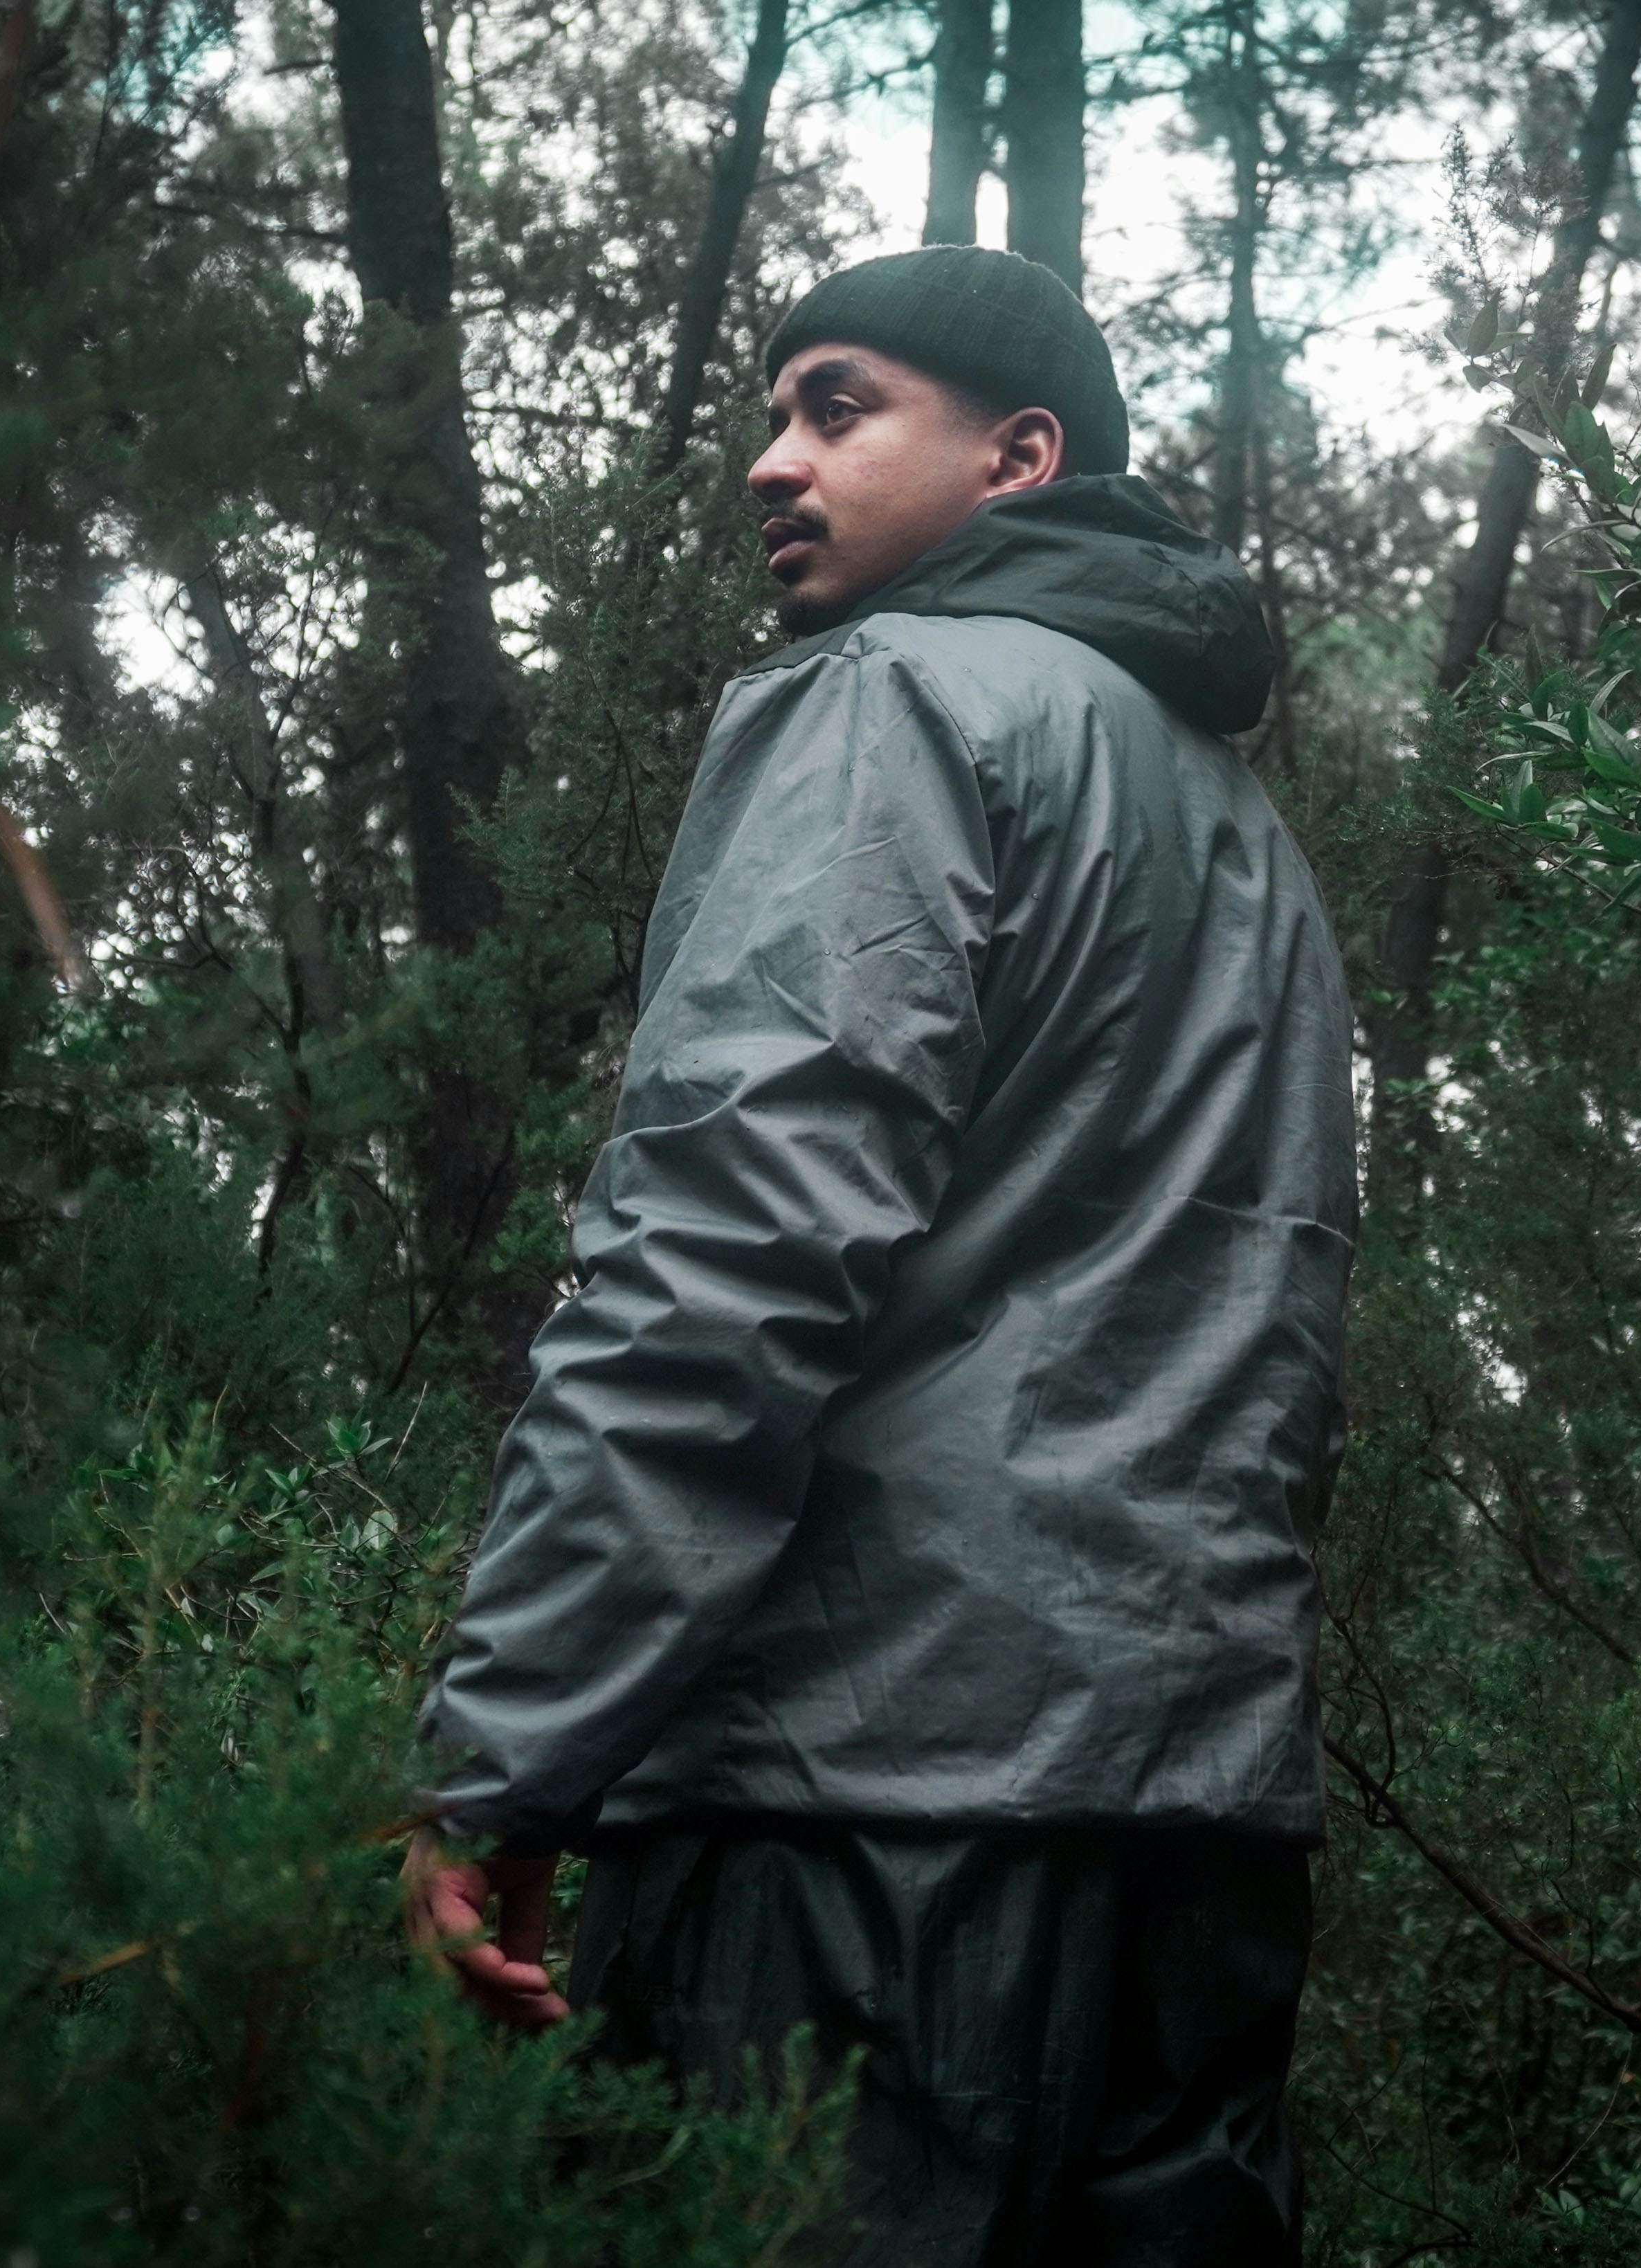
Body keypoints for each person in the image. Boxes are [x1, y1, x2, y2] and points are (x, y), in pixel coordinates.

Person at [403, 245, 1358, 2266]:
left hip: (862, 1816)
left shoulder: (896, 703)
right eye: (773, 414)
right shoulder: (1241, 832)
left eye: (839, 409)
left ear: (1020, 458)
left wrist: (510, 1756)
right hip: (1195, 1834)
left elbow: (728, 1256)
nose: (773, 460)